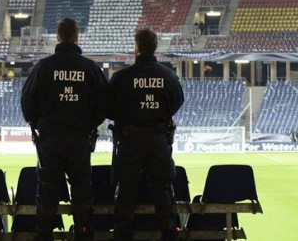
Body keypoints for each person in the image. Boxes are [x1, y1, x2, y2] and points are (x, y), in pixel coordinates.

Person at [21, 18, 108, 241]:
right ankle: (84, 234)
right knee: (82, 190)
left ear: (58, 37)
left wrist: (37, 124)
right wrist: (89, 125)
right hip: (80, 139)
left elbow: (27, 103)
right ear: (76, 37)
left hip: (49, 139)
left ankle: (44, 234)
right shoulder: (90, 68)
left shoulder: (43, 67)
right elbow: (104, 104)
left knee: (48, 189)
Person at [108, 28, 185, 241]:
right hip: (158, 139)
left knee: (126, 189)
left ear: (137, 48)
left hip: (130, 140)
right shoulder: (168, 75)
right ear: (155, 48)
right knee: (162, 188)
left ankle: (123, 234)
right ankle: (169, 233)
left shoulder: (122, 77)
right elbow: (177, 101)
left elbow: (109, 108)